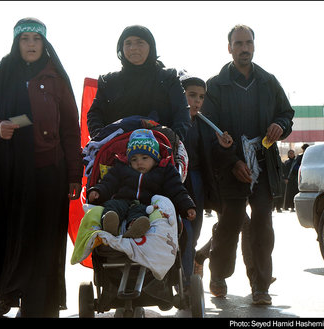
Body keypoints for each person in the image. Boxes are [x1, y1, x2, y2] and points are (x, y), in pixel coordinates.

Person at [0, 17, 82, 318]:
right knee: (14, 241)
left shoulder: (57, 78)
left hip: (49, 174)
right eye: (25, 39)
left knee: (46, 245)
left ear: (44, 43)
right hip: (10, 177)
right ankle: (11, 294)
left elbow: (72, 130)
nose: (31, 44)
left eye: (36, 38)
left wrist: (74, 175)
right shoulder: (0, 75)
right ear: (16, 43)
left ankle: (40, 308)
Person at [201, 24, 294, 305]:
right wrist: (232, 163)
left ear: (254, 46)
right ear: (229, 48)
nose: (244, 48)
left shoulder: (269, 81)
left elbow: (287, 113)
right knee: (229, 224)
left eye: (248, 43)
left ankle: (260, 285)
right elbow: (209, 130)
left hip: (263, 166)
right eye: (238, 43)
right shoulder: (215, 86)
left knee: (263, 222)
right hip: (230, 168)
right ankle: (218, 274)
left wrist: (280, 125)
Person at [86, 25, 191, 142]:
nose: (133, 48)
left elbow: (182, 115)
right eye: (128, 43)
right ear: (121, 48)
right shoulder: (108, 82)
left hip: (160, 150)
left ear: (150, 47)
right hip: (115, 150)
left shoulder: (168, 78)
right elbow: (94, 115)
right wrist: (103, 140)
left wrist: (172, 142)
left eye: (139, 42)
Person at [178, 71, 234, 286]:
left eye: (201, 97)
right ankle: (184, 281)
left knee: (195, 230)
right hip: (174, 184)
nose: (197, 101)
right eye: (192, 95)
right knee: (185, 233)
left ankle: (188, 277)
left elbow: (213, 156)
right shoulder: (170, 120)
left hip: (198, 182)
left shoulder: (206, 125)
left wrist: (223, 146)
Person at [87, 129, 197, 239]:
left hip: (147, 204)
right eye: (134, 159)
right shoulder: (121, 168)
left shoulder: (164, 171)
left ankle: (134, 227)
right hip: (123, 199)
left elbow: (177, 190)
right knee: (112, 206)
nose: (139, 162)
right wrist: (98, 191)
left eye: (145, 158)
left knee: (141, 213)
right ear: (129, 161)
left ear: (155, 159)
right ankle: (109, 223)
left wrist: (187, 206)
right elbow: (109, 183)